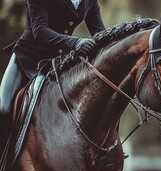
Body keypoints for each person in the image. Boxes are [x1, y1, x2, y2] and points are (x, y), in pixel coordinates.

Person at [0, 0, 106, 153]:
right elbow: (40, 31)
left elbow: (100, 34)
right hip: (27, 59)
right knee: (4, 109)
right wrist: (75, 42)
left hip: (57, 64)